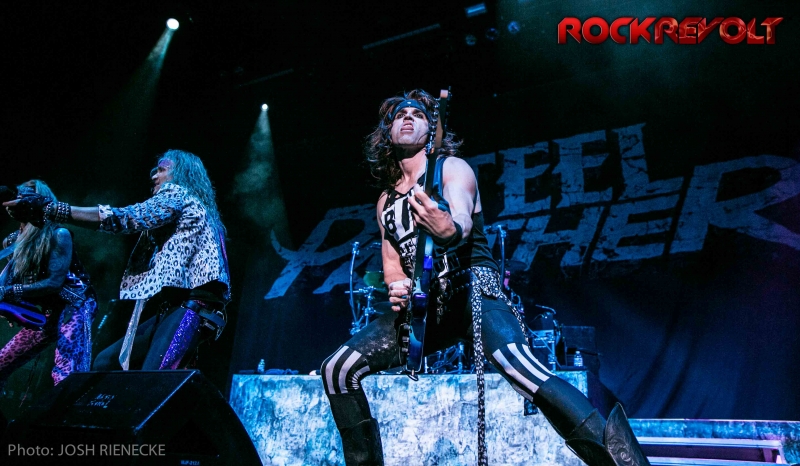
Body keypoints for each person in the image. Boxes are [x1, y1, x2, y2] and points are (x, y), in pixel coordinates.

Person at [319, 90, 652, 466]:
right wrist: (398, 285)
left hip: (473, 293)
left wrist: (447, 227)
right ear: (388, 133)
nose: (408, 117)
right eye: (400, 115)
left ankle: (624, 462)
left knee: (520, 368)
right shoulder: (385, 201)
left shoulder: (451, 168)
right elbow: (392, 262)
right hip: (427, 308)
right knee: (336, 369)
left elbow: (460, 217)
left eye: (418, 114)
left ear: (432, 130)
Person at [4, 150, 230, 372]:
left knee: (152, 379)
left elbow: (126, 218)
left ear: (181, 174)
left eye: (162, 170)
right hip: (174, 306)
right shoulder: (191, 206)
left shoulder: (177, 193)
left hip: (194, 305)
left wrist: (53, 209)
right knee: (106, 362)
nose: (154, 175)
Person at [0, 180, 96, 390]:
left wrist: (10, 292)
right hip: (47, 311)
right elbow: (17, 282)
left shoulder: (58, 235)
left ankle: (67, 409)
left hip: (74, 305)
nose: (14, 203)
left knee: (66, 370)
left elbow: (53, 283)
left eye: (22, 198)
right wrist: (10, 307)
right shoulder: (11, 242)